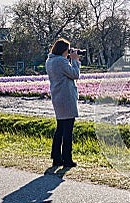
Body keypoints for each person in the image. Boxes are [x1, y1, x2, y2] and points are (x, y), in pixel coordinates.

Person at [45, 38, 81, 167]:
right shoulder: (61, 61)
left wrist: (70, 59)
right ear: (63, 50)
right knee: (68, 130)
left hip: (57, 97)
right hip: (66, 98)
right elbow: (75, 74)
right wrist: (75, 61)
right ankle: (67, 159)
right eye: (68, 50)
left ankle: (56, 157)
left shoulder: (50, 60)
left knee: (60, 128)